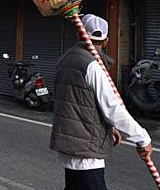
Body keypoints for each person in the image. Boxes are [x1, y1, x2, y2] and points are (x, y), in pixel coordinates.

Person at [50, 14, 153, 190]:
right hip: (86, 148)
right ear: (105, 41)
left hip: (70, 144)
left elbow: (82, 101)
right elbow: (113, 108)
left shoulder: (65, 59)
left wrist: (110, 127)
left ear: (79, 35)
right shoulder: (92, 65)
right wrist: (142, 138)